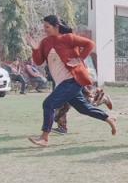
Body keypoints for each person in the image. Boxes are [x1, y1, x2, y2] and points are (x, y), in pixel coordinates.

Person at [27, 15, 117, 147]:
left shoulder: (68, 38)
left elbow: (90, 44)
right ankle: (109, 118)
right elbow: (38, 61)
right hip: (62, 83)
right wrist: (35, 49)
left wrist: (79, 59)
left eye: (47, 27)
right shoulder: (45, 42)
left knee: (48, 104)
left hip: (73, 80)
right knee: (84, 108)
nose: (44, 29)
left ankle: (44, 138)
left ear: (56, 26)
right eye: (44, 27)